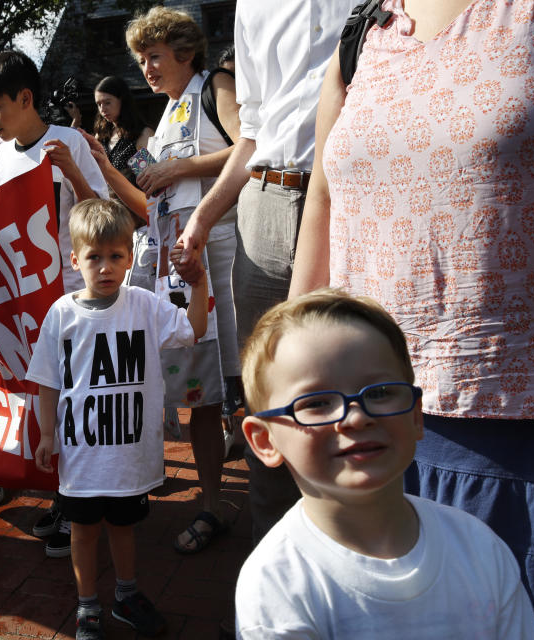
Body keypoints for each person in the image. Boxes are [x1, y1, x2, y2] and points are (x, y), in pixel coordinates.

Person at [289, 0, 534, 612]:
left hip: (509, 444)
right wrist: (290, 379)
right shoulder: (363, 32)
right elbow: (323, 200)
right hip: (362, 433)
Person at [235, 289, 534, 638]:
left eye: (379, 393)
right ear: (264, 440)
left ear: (415, 416)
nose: (356, 417)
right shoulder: (276, 588)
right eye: (317, 402)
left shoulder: (481, 549)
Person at [174, 0, 356, 546]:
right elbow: (250, 135)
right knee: (268, 391)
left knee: (354, 377)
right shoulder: (252, 7)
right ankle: (275, 570)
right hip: (266, 202)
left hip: (353, 197)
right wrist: (204, 218)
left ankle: (356, 561)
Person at [86, 6, 240, 555]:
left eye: (153, 57)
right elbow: (147, 209)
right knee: (187, 387)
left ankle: (213, 504)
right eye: (141, 60)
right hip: (168, 270)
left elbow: (247, 147)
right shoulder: (171, 110)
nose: (146, 69)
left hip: (214, 262)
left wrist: (177, 168)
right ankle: (205, 495)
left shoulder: (211, 87)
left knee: (209, 393)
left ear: (184, 52)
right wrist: (106, 170)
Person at [27, 198, 207, 640]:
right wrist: (47, 433)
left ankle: (126, 595)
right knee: (83, 531)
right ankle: (87, 604)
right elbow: (47, 380)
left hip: (129, 455)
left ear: (130, 257)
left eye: (116, 256)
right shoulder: (61, 314)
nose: (106, 267)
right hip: (81, 455)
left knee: (124, 529)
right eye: (94, 257)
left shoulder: (144, 305)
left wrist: (200, 285)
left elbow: (193, 329)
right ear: (75, 259)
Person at [0, 49, 107, 548]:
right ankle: (65, 499)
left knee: (76, 402)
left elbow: (101, 214)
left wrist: (72, 169)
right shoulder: (2, 155)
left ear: (26, 98)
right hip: (27, 298)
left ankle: (79, 507)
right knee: (50, 400)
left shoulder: (69, 140)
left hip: (73, 296)